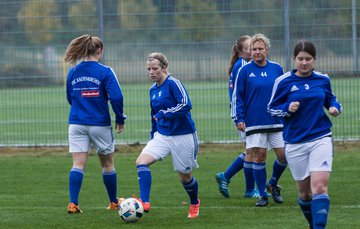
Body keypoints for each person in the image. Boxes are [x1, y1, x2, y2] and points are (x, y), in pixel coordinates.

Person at [268, 41, 342, 229]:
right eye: (300, 59)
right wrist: (287, 108)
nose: (304, 63)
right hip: (294, 142)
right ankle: (313, 227)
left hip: (320, 137)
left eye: (308, 59)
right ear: (294, 59)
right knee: (305, 194)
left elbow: (331, 99)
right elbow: (272, 108)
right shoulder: (283, 82)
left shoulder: (322, 80)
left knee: (319, 187)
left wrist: (335, 108)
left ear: (314, 60)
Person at [64, 34, 126, 214]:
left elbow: (70, 97)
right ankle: (114, 202)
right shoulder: (105, 71)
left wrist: (80, 108)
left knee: (78, 164)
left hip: (76, 123)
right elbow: (117, 97)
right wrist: (120, 119)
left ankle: (73, 203)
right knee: (107, 165)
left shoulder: (73, 71)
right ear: (100, 51)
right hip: (99, 123)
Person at [134, 52, 200, 219]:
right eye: (148, 69)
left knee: (185, 176)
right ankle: (145, 202)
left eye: (154, 68)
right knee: (141, 162)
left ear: (164, 68)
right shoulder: (152, 90)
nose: (151, 72)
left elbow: (186, 105)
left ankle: (194, 202)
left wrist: (165, 113)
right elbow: (154, 115)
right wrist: (152, 134)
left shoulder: (173, 83)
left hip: (183, 135)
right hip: (162, 135)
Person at [231, 33, 288, 207]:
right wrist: (238, 118)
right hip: (254, 121)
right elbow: (237, 97)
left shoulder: (277, 68)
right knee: (259, 156)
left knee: (284, 155)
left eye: (260, 49)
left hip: (276, 120)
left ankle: (272, 183)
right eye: (254, 49)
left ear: (267, 50)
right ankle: (263, 195)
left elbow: (284, 92)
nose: (256, 52)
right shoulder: (244, 70)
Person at [215, 35, 261, 199]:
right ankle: (249, 189)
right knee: (251, 151)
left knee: (252, 150)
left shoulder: (242, 64)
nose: (253, 49)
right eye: (249, 47)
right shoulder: (242, 65)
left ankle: (226, 177)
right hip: (244, 114)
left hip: (246, 113)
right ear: (241, 50)